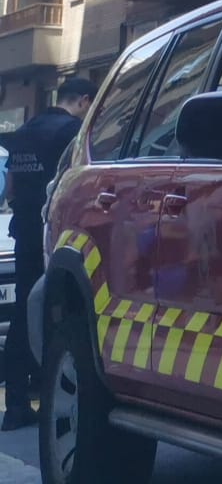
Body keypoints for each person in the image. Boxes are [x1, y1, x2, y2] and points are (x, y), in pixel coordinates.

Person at [1, 77, 95, 430]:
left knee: (25, 313)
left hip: (25, 230)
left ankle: (15, 403)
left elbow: (9, 186)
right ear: (84, 101)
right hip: (58, 233)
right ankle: (50, 392)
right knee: (57, 315)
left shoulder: (25, 131)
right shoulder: (73, 130)